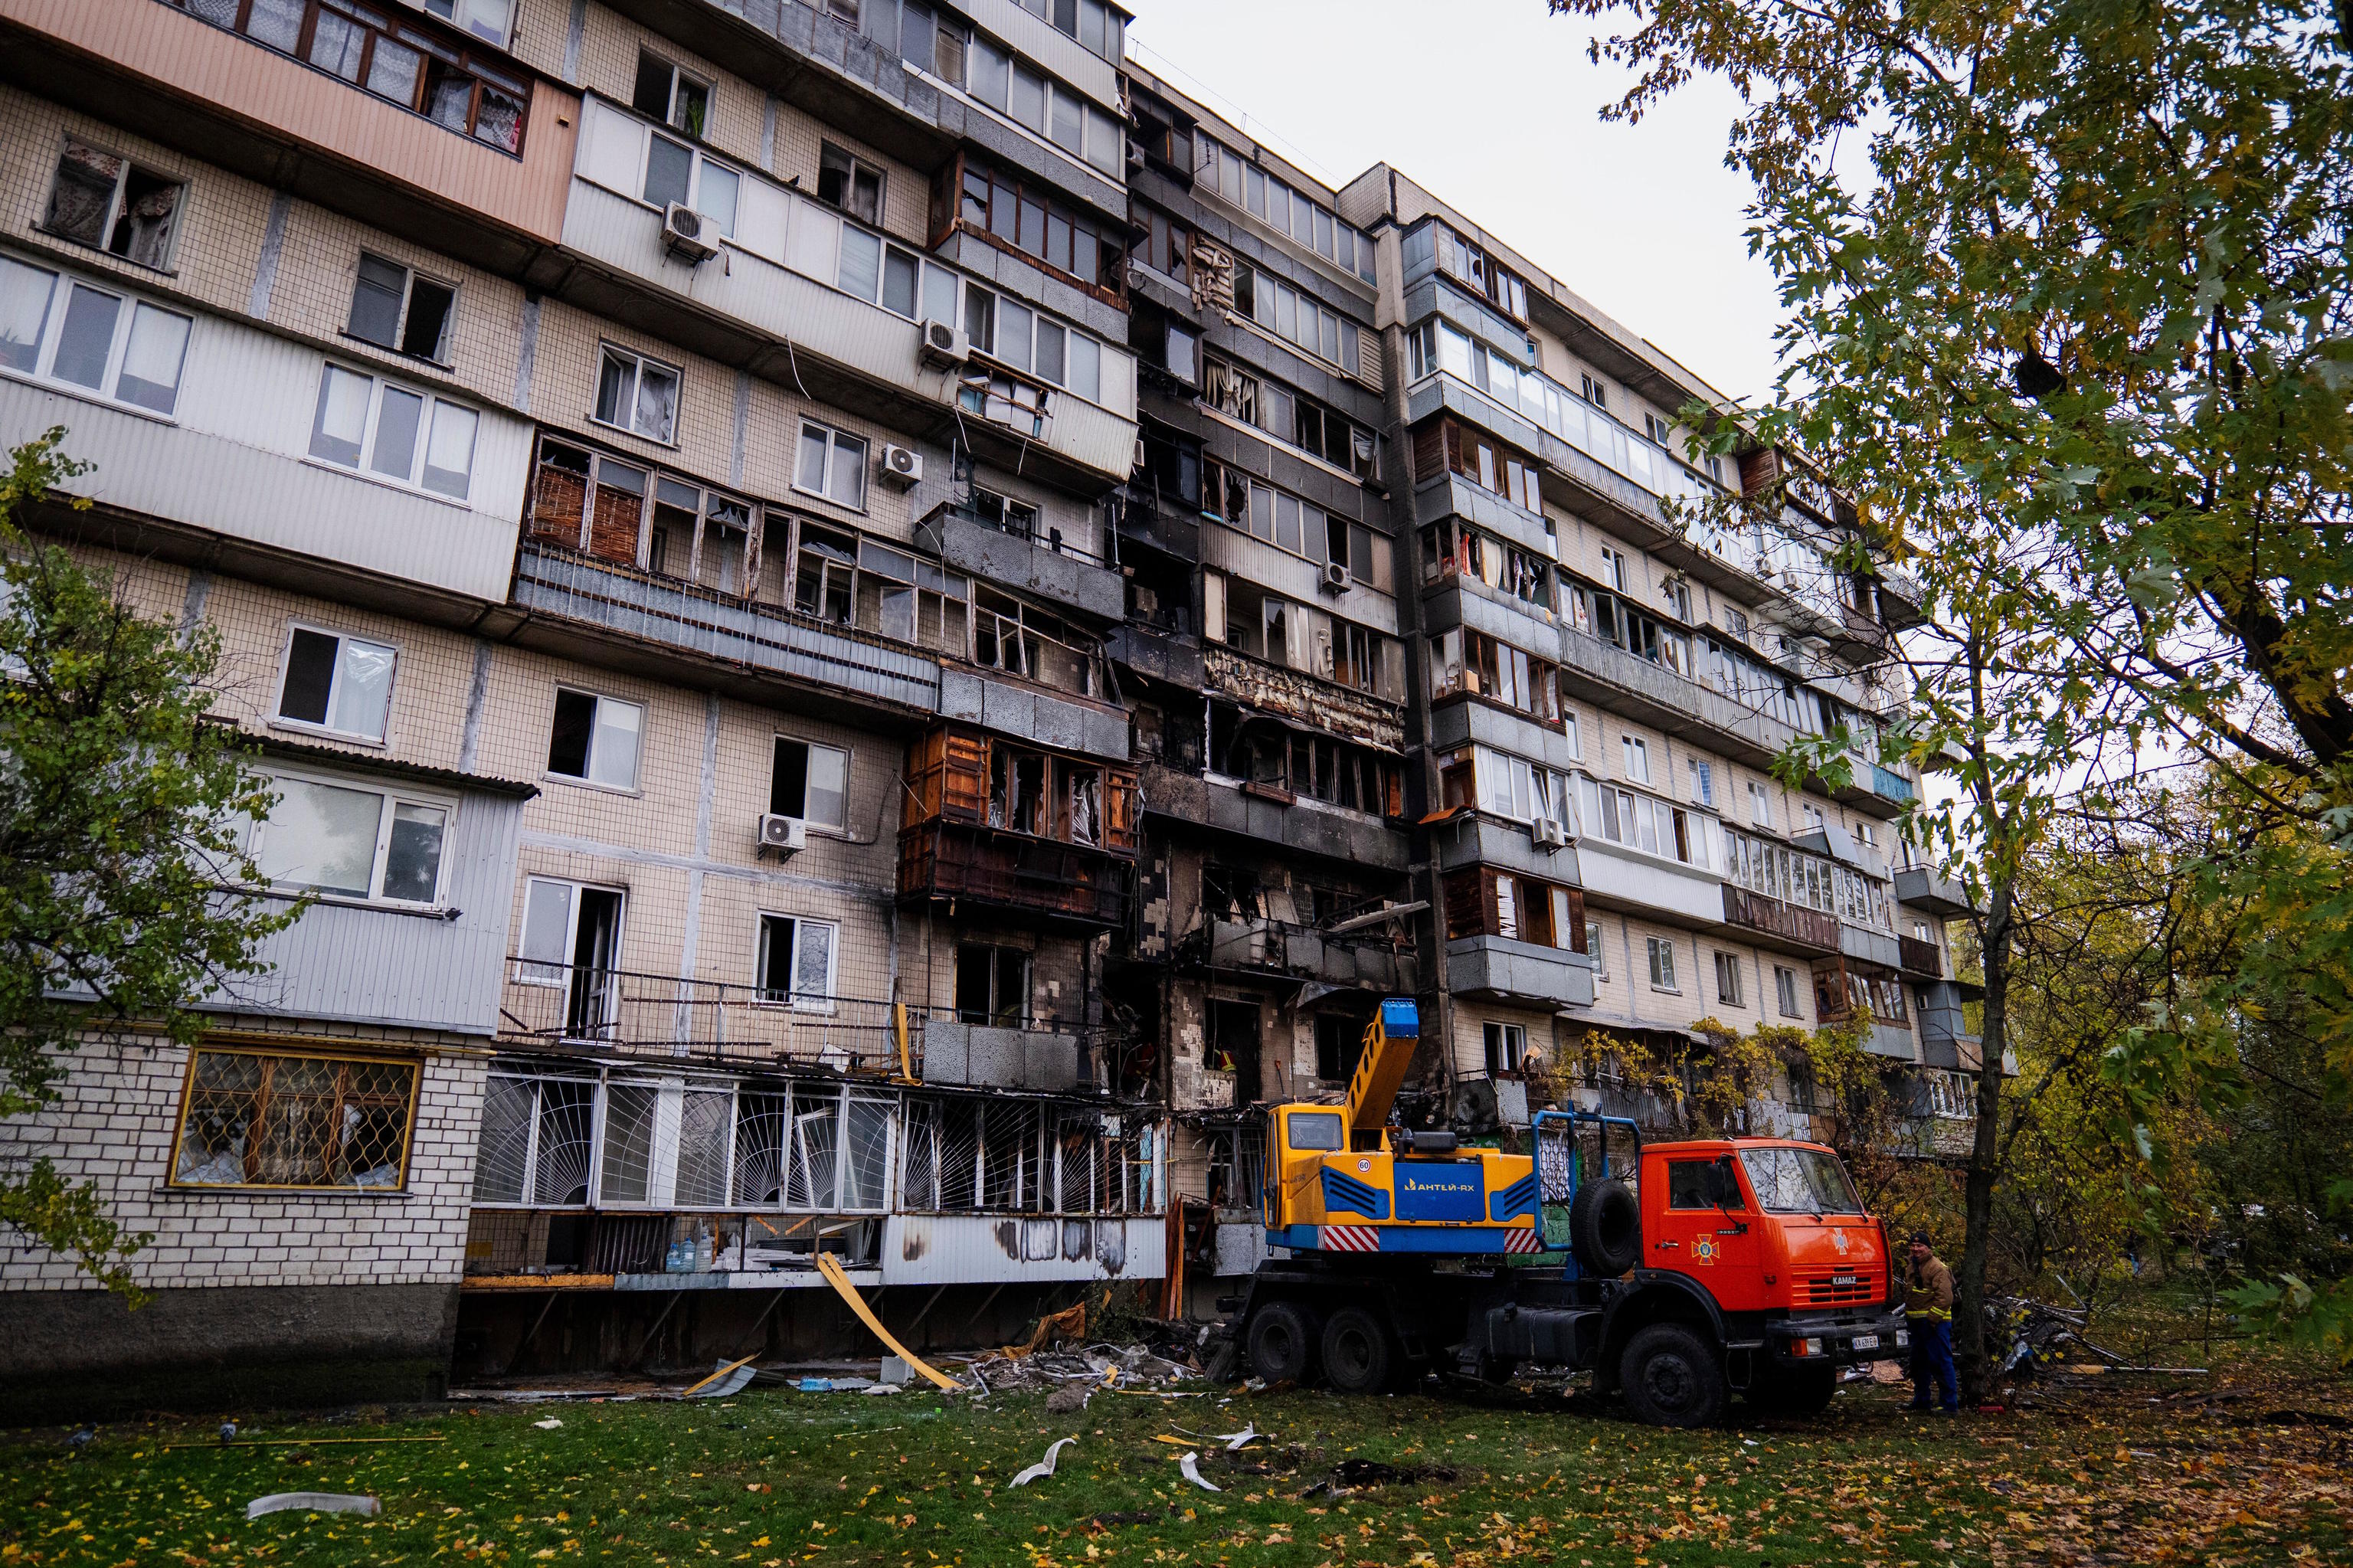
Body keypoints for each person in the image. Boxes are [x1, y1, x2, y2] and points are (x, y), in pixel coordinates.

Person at [1903, 1231, 1959, 1413]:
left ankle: (1949, 1405)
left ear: (1928, 1248)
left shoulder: (1937, 1268)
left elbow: (1945, 1298)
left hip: (1936, 1325)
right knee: (1919, 1364)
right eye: (1913, 1246)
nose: (1916, 1249)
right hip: (1917, 1325)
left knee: (1941, 1363)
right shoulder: (1911, 1267)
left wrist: (1932, 1320)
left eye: (1920, 1246)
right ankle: (1921, 1401)